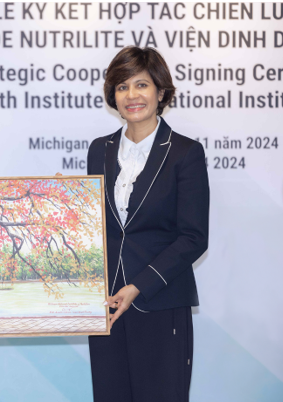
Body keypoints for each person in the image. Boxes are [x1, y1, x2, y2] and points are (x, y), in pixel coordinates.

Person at [87, 47, 209, 401]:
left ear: (160, 91)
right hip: (107, 305)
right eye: (122, 87)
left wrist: (139, 286)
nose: (132, 95)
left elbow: (193, 237)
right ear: (113, 95)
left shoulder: (185, 152)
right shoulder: (99, 150)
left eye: (141, 84)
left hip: (159, 301)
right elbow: (98, 227)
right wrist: (68, 200)